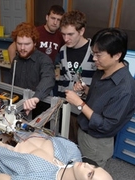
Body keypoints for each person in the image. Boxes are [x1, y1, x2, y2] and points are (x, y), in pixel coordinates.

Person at [65, 28, 135, 168]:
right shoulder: (102, 70)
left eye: (98, 55)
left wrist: (79, 104)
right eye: (93, 54)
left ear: (116, 55)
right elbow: (101, 99)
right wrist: (86, 90)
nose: (94, 59)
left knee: (89, 173)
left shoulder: (125, 89)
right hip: (84, 130)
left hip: (97, 142)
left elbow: (106, 125)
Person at [54, 10, 96, 143]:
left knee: (84, 149)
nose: (66, 39)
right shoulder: (62, 50)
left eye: (70, 34)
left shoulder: (95, 51)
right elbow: (62, 79)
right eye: (63, 34)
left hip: (86, 111)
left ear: (81, 31)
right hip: (66, 109)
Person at [9, 22, 55, 116]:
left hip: (39, 111)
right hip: (18, 109)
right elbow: (11, 84)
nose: (22, 48)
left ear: (34, 43)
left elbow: (48, 79)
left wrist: (35, 98)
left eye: (27, 44)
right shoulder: (16, 60)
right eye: (19, 44)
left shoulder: (44, 60)